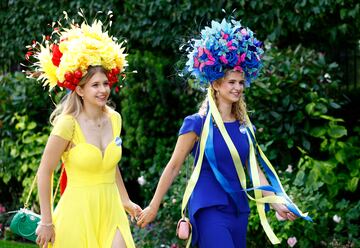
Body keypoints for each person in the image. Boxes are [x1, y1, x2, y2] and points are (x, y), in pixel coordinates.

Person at [137, 19, 311, 247]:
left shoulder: (244, 126)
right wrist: (154, 205)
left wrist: (276, 202)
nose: (237, 87)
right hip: (208, 208)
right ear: (216, 85)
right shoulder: (196, 124)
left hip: (238, 210)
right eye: (231, 82)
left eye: (241, 82)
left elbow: (254, 170)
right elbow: (173, 166)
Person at [28, 16, 141, 248]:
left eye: (106, 84)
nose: (103, 90)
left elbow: (111, 165)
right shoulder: (67, 124)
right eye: (95, 85)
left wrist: (125, 199)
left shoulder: (115, 119)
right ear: (79, 89)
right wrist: (47, 221)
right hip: (77, 212)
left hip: (111, 209)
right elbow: (45, 171)